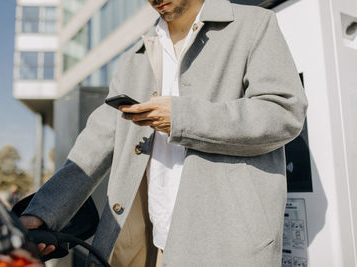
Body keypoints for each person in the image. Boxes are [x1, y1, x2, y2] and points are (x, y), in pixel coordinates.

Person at [20, 0, 308, 266]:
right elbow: (93, 146)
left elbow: (284, 112)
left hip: (226, 246)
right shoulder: (136, 57)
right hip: (153, 246)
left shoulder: (254, 24)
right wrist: (41, 212)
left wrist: (182, 118)